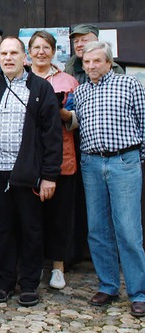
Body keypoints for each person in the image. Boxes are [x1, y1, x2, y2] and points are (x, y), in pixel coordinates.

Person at [0, 37, 62, 307]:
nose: (8, 58)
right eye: (4, 53)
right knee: (1, 230)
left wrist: (49, 175)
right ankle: (5, 281)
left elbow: (52, 135)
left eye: (14, 53)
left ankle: (28, 284)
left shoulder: (41, 88)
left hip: (29, 173)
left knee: (31, 230)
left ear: (24, 56)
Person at [73, 41, 145, 318]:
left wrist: (138, 159)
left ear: (108, 62)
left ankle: (138, 292)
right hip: (91, 162)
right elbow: (76, 124)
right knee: (98, 228)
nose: (91, 66)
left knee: (128, 229)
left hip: (123, 161)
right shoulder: (80, 92)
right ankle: (108, 285)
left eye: (97, 61)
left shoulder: (129, 85)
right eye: (87, 62)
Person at [28, 31, 79, 290]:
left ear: (53, 50)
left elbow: (77, 121)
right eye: (36, 47)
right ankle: (34, 265)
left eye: (45, 47)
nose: (40, 52)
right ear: (29, 52)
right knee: (31, 217)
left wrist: (62, 113)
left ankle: (58, 267)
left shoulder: (68, 81)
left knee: (60, 216)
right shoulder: (22, 79)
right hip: (28, 158)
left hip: (63, 157)